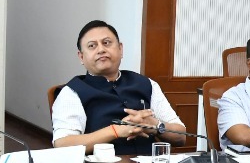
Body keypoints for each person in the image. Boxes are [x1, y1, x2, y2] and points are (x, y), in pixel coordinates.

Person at [51, 20, 186, 154]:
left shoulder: (146, 84)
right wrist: (115, 131)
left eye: (106, 43)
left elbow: (181, 136)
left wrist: (155, 125)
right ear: (81, 57)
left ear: (120, 49)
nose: (101, 50)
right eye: (92, 46)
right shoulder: (72, 92)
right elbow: (62, 145)